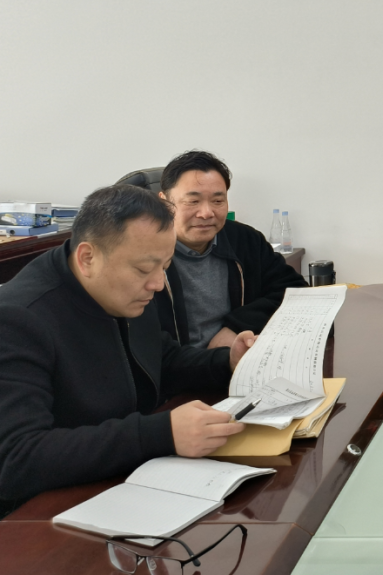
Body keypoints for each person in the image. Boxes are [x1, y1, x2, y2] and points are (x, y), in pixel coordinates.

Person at [0, 185, 256, 508]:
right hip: (46, 511)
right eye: (144, 269)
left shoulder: (126, 288)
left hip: (124, 481)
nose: (158, 284)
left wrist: (227, 362)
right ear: (88, 258)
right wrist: (161, 434)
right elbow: (16, 458)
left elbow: (160, 359)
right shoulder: (17, 319)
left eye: (165, 266)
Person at [156, 150, 307, 348]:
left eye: (218, 201)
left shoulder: (244, 240)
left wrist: (236, 327)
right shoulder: (145, 254)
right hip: (176, 365)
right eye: (193, 201)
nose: (206, 213)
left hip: (240, 360)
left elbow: (294, 292)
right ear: (164, 203)